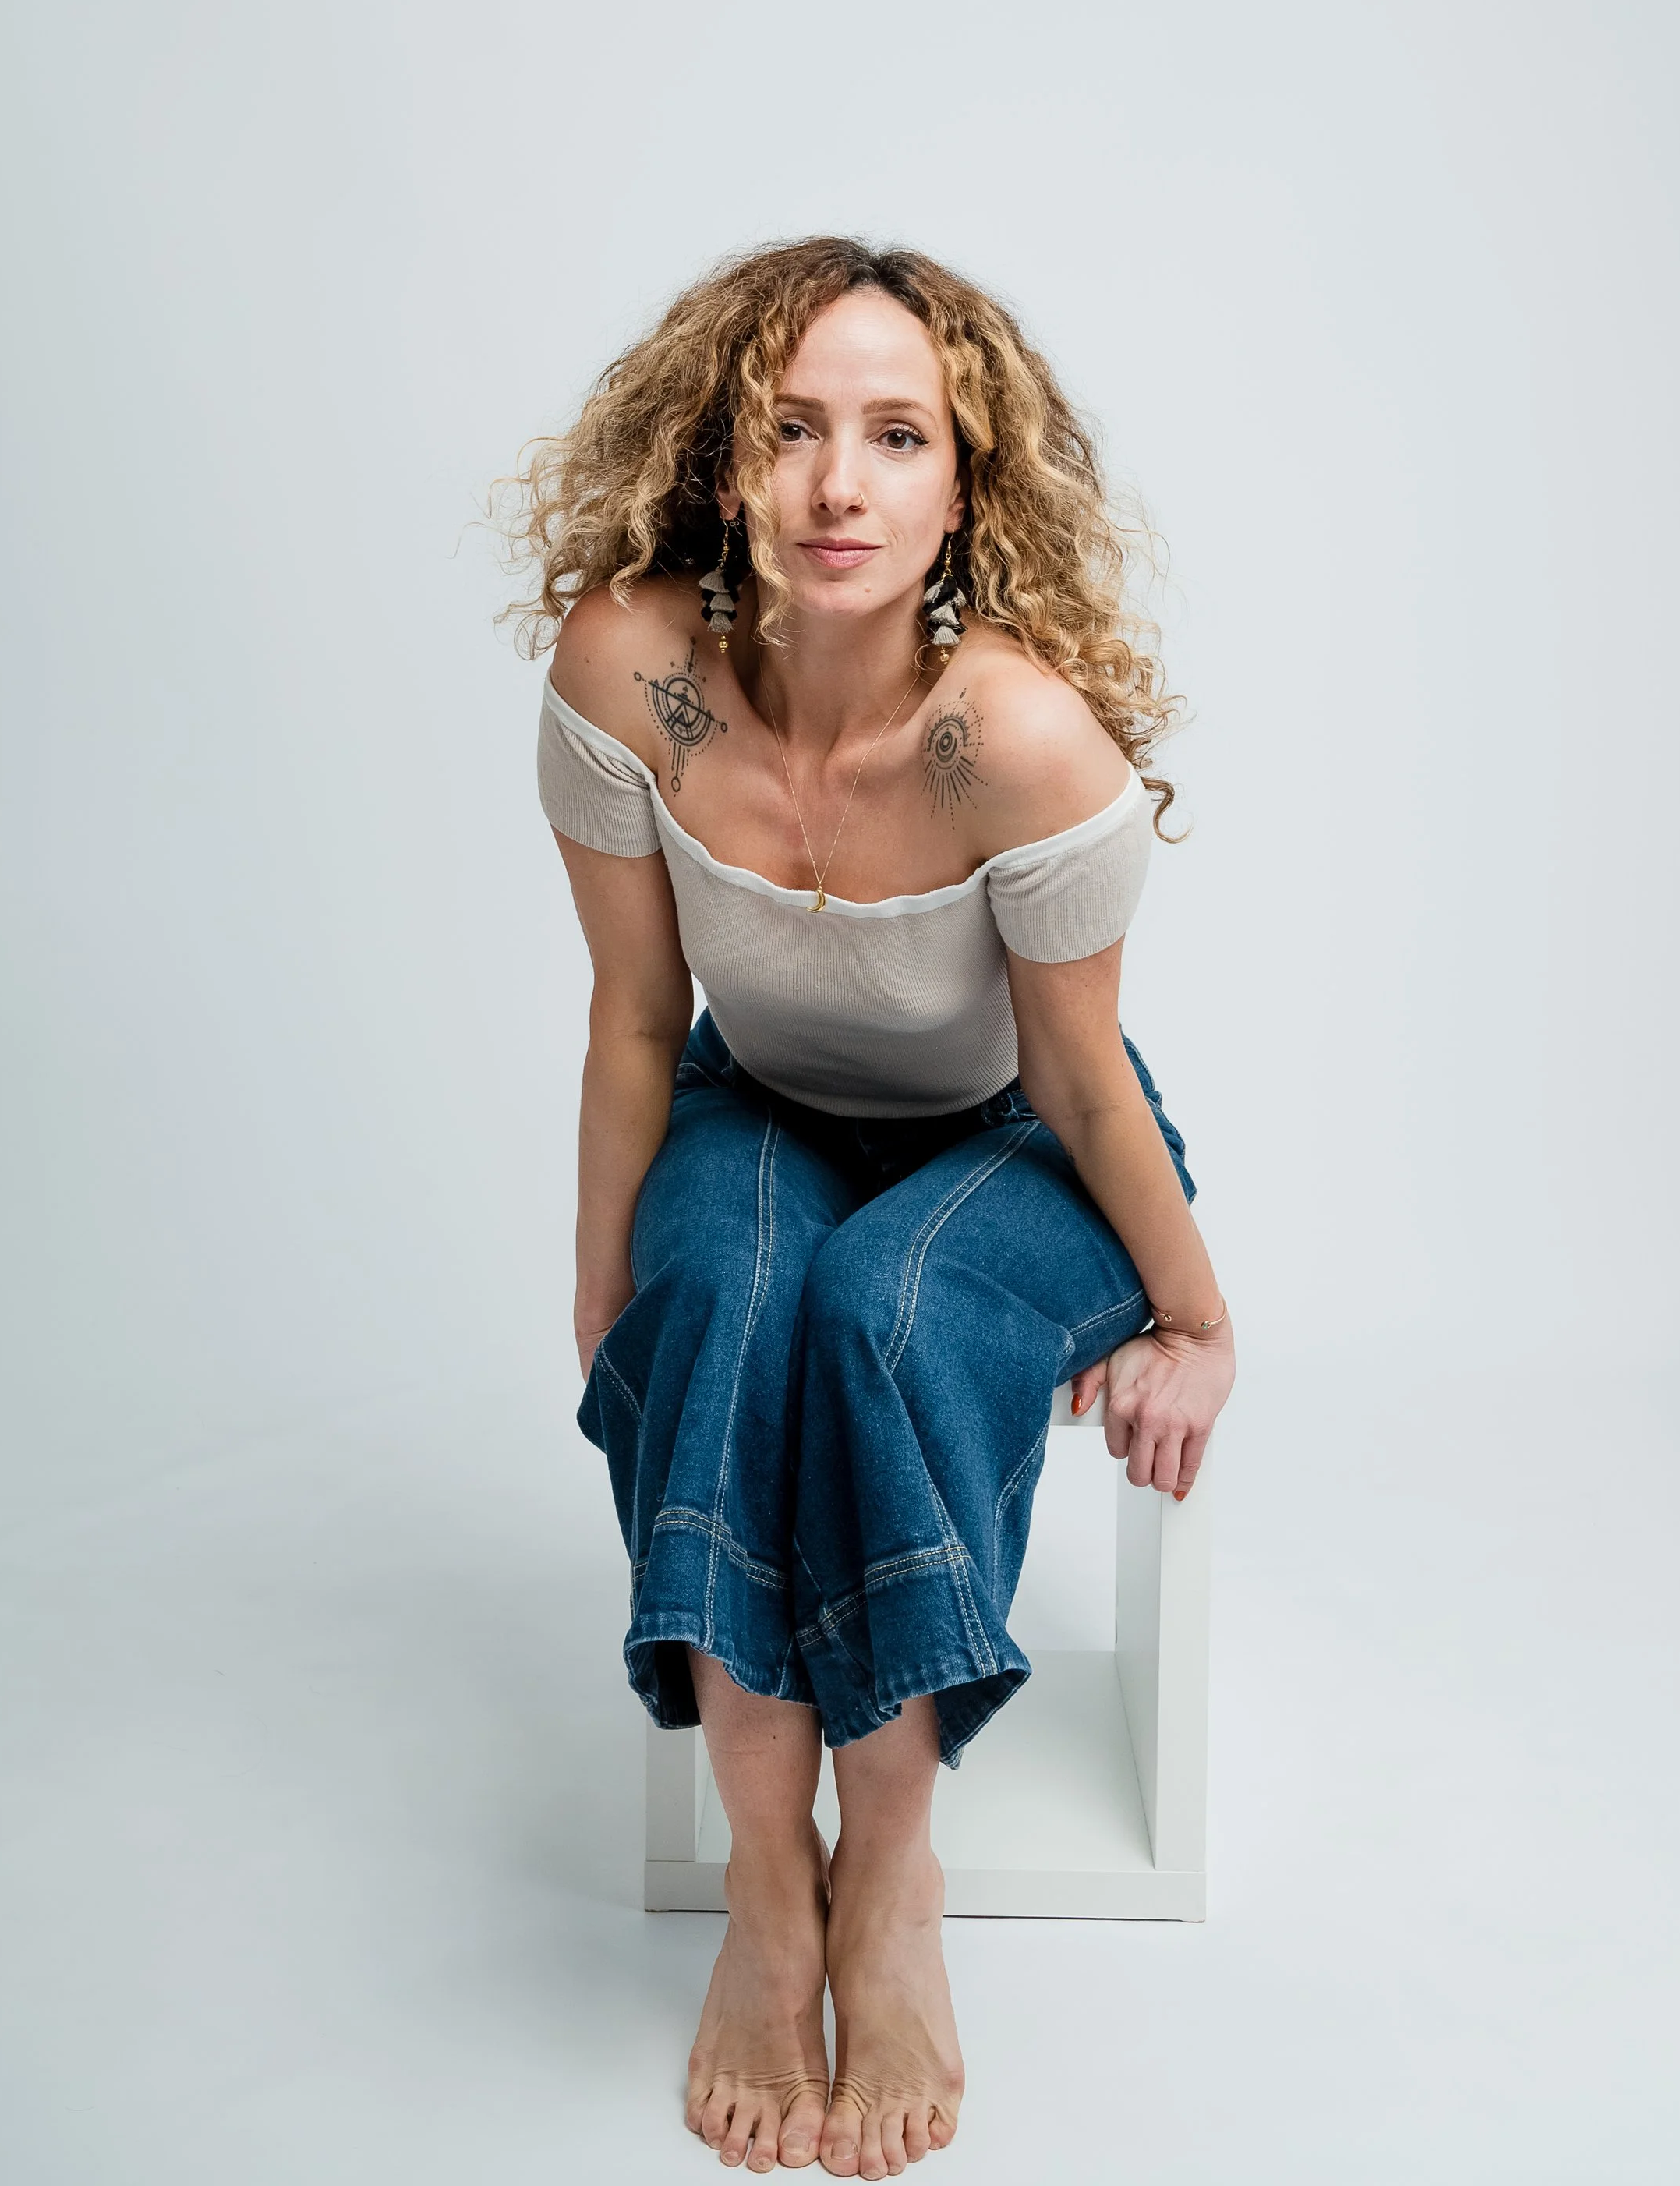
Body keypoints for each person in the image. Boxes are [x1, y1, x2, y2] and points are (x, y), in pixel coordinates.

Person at [513, 238, 1234, 2180]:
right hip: (763, 1106)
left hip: (1015, 1136)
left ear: (959, 485)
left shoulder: (1009, 739)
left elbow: (1086, 1077)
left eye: (895, 435)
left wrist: (1200, 1317)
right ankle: (772, 1886)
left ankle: (889, 1872)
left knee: (873, 1314)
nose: (841, 483)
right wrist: (608, 1300)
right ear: (719, 462)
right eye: (793, 428)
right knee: (726, 1313)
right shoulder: (632, 674)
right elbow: (635, 1015)